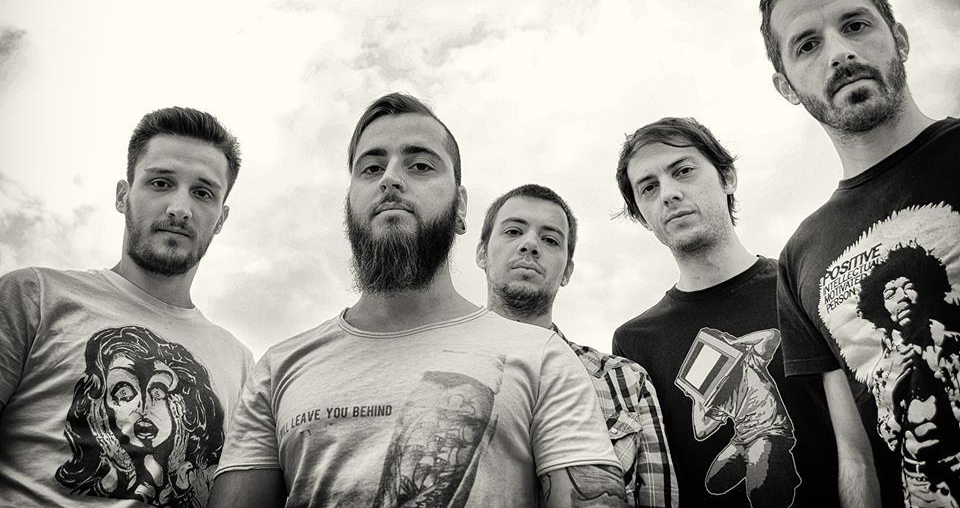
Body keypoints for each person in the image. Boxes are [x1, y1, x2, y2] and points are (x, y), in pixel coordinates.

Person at [210, 93, 625, 508]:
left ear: (460, 206)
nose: (390, 179)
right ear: (350, 200)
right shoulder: (280, 367)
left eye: (420, 165)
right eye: (371, 168)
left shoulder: (543, 357)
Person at [761, 0, 960, 507]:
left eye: (855, 25)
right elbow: (856, 455)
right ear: (786, 87)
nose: (840, 53)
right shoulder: (801, 256)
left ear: (899, 38)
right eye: (808, 44)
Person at [0, 107, 254, 508]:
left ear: (221, 219)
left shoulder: (240, 363)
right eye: (160, 183)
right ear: (123, 195)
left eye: (203, 192)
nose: (180, 208)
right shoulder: (35, 295)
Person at [611, 117, 840, 508]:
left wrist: (740, 353)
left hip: (775, 434)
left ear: (728, 178)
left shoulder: (803, 286)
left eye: (683, 171)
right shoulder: (634, 343)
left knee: (767, 485)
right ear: (642, 216)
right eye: (649, 187)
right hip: (737, 430)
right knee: (718, 481)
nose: (669, 194)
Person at [477, 183, 678, 507]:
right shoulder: (434, 367)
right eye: (513, 231)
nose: (530, 245)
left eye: (550, 240)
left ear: (567, 271)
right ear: (481, 253)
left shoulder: (626, 382)